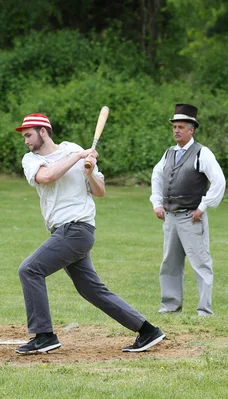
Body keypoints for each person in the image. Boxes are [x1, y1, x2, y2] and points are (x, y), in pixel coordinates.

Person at [15, 113, 165, 355]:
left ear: (43, 131)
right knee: (91, 289)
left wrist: (89, 172)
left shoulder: (72, 149)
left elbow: (100, 191)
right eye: (24, 137)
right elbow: (47, 177)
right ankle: (147, 331)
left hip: (77, 230)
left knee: (29, 270)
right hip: (63, 231)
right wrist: (78, 157)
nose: (26, 141)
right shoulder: (31, 160)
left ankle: (44, 335)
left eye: (28, 135)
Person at [150, 104, 226, 316]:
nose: (176, 130)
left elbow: (219, 182)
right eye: (174, 126)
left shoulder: (203, 153)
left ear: (191, 129)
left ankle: (204, 310)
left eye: (181, 126)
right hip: (170, 217)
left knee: (201, 263)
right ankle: (169, 307)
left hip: (191, 217)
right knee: (169, 264)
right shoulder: (168, 153)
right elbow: (157, 177)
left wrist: (203, 207)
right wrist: (156, 203)